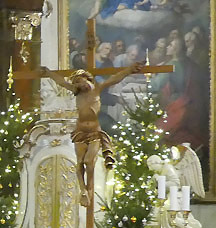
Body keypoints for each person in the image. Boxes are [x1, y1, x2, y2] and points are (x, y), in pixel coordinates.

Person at [40, 63, 145, 205]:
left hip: (94, 132)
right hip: (80, 131)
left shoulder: (97, 89)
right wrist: (48, 73)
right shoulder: (77, 92)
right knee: (79, 162)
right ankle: (83, 190)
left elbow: (115, 78)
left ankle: (89, 190)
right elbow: (61, 82)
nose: (79, 85)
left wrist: (130, 69)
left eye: (80, 81)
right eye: (76, 83)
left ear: (87, 78)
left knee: (89, 161)